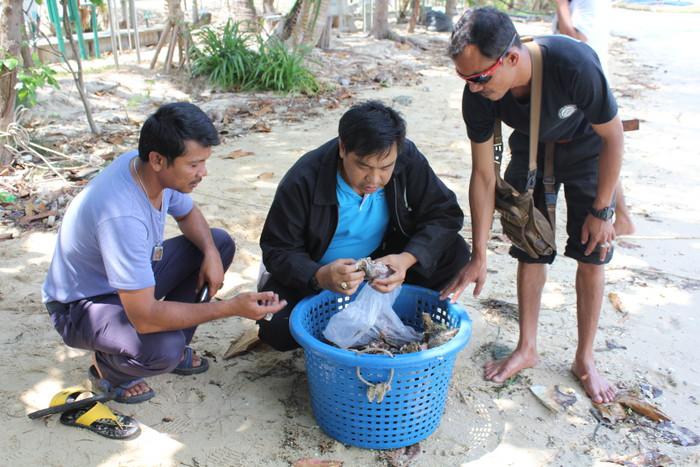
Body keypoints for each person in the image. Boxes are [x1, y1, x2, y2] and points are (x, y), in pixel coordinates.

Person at [42, 102, 286, 403]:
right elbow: (144, 317)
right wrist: (232, 307)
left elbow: (187, 215)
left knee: (218, 242)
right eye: (194, 164)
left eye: (204, 162)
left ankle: (162, 344)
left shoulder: (147, 167)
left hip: (125, 280)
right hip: (80, 306)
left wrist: (210, 252)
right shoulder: (122, 216)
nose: (203, 173)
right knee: (164, 348)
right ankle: (110, 369)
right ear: (158, 160)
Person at [443, 7, 624, 403]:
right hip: (530, 148)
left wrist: (602, 211)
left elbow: (614, 138)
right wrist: (478, 255)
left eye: (478, 78)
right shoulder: (478, 91)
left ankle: (585, 358)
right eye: (463, 78)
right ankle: (527, 347)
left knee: (592, 253)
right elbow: (483, 174)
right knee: (530, 247)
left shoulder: (573, 65)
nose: (472, 88)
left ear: (511, 57)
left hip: (586, 151)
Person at [258, 100, 471, 351]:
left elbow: (445, 213)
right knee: (278, 329)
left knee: (454, 250)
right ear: (342, 148)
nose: (374, 179)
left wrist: (406, 259)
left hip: (379, 263)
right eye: (363, 166)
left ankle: (394, 313)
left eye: (385, 168)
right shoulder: (304, 179)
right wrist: (318, 276)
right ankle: (337, 321)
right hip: (318, 269)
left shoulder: (405, 157)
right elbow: (277, 250)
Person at [554, 0, 635, 235]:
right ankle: (623, 216)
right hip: (589, 78)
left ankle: (620, 216)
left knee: (601, 145)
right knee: (604, 145)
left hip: (583, 83)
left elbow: (572, 36)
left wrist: (562, 11)